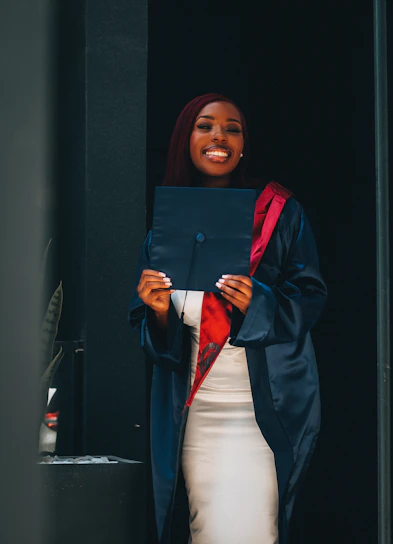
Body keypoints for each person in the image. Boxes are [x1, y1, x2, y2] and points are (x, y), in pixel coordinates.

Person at [128, 93, 327, 544]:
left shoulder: (279, 215)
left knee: (252, 526)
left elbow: (312, 297)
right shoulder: (163, 230)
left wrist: (257, 300)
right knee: (210, 526)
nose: (219, 135)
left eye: (232, 128)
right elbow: (149, 335)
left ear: (243, 145)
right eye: (205, 125)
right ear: (186, 139)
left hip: (259, 406)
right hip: (194, 409)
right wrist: (158, 313)